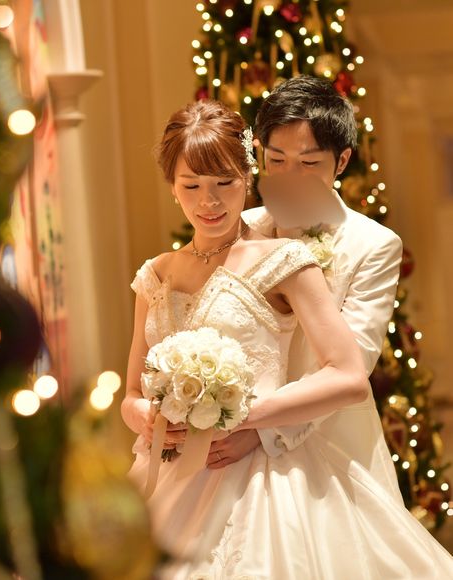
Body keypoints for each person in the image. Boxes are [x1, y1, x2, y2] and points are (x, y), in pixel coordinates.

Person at [121, 97, 453, 578]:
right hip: (177, 467)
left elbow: (349, 371)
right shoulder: (158, 271)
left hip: (290, 456)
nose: (208, 200)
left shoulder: (310, 253)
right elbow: (133, 389)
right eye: (191, 185)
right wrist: (146, 416)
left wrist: (239, 419)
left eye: (224, 183)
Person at [211, 76, 404, 503]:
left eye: (309, 163)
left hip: (332, 445)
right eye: (276, 160)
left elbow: (352, 363)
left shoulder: (373, 245)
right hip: (229, 446)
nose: (288, 178)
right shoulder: (240, 229)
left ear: (342, 161)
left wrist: (260, 430)